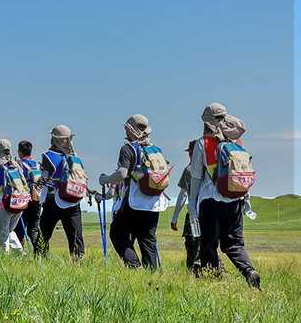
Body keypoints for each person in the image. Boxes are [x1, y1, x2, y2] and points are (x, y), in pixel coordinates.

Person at [187, 103, 261, 289]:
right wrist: (246, 200)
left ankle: (213, 283)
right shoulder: (238, 144)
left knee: (209, 244)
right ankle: (249, 271)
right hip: (236, 199)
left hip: (210, 202)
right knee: (234, 244)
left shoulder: (202, 144)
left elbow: (195, 177)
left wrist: (192, 204)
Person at [99, 115, 169, 269]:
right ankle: (152, 276)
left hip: (134, 202)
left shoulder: (128, 149)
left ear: (130, 130)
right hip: (154, 203)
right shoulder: (156, 150)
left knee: (117, 234)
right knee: (148, 240)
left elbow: (122, 174)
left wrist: (105, 180)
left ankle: (133, 266)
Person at [38, 125, 87, 260]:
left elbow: (44, 177)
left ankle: (40, 260)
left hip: (53, 200)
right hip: (73, 199)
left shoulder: (48, 157)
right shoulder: (75, 157)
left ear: (54, 139)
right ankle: (78, 262)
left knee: (44, 234)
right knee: (76, 236)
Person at [171, 141, 201, 273]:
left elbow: (183, 194)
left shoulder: (189, 170)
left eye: (190, 152)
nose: (189, 154)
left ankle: (193, 272)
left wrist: (175, 217)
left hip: (194, 214)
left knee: (192, 244)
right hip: (210, 212)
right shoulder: (210, 168)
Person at [14, 140, 44, 252]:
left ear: (19, 152)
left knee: (19, 228)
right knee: (34, 228)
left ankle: (19, 254)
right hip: (37, 199)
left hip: (25, 200)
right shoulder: (37, 164)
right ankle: (40, 254)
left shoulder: (20, 165)